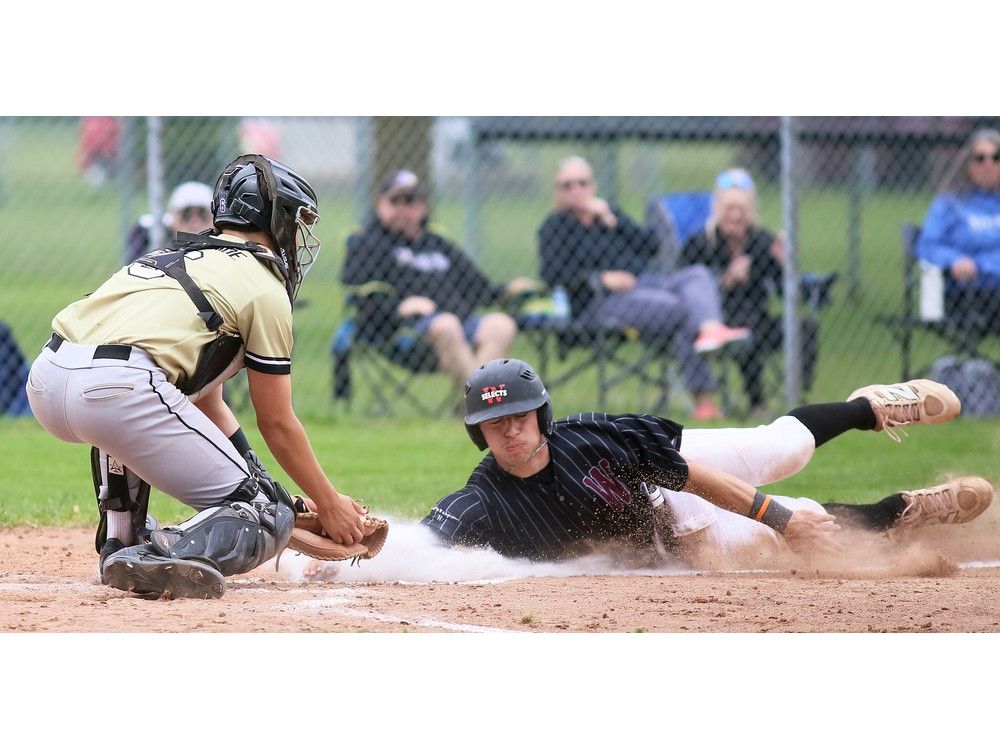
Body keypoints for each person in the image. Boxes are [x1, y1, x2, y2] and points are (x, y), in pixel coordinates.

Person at [25, 154, 367, 599]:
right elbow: (277, 423)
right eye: (294, 219)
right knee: (264, 514)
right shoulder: (263, 286)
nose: (296, 234)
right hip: (116, 390)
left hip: (47, 378)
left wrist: (262, 481)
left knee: (140, 404)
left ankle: (121, 539)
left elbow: (207, 400)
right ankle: (159, 550)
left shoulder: (173, 252)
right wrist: (327, 501)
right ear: (272, 217)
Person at [410, 359, 989, 569]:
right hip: (670, 542)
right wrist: (337, 552)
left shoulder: (589, 439)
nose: (510, 430)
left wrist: (776, 515)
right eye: (495, 423)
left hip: (674, 479)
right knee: (801, 527)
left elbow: (690, 477)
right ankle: (907, 509)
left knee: (777, 452)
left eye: (520, 415)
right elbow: (423, 539)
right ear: (479, 434)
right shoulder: (484, 498)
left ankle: (869, 408)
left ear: (542, 414)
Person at [537, 155, 751, 421]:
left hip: (648, 282)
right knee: (682, 310)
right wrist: (602, 279)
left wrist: (614, 220)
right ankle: (703, 400)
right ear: (558, 191)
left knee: (697, 274)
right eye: (567, 185)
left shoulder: (609, 216)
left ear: (593, 186)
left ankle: (711, 330)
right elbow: (553, 276)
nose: (576, 190)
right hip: (602, 301)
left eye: (582, 183)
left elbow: (651, 246)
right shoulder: (554, 228)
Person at [341, 169, 535, 391]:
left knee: (501, 325)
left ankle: (473, 402)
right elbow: (359, 293)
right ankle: (482, 404)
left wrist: (509, 290)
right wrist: (399, 307)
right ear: (380, 203)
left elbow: (478, 286)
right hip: (404, 333)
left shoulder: (437, 243)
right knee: (446, 325)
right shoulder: (367, 242)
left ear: (422, 206)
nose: (403, 208)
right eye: (396, 201)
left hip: (458, 322)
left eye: (411, 201)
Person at [679, 168, 796, 416]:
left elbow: (786, 295)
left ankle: (798, 399)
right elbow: (684, 285)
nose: (735, 216)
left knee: (804, 327)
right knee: (745, 331)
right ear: (718, 210)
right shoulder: (701, 243)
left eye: (741, 211)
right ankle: (758, 403)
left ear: (750, 212)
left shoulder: (764, 241)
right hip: (718, 321)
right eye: (729, 210)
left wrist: (783, 263)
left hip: (759, 315)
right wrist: (726, 281)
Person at [917, 127, 1000, 349]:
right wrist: (954, 260)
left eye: (996, 157)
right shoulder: (950, 204)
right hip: (967, 296)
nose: (988, 164)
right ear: (968, 164)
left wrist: (981, 264)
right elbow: (928, 245)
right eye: (980, 158)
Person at [124, 181, 215, 263]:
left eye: (202, 214)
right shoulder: (147, 233)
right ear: (173, 217)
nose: (195, 222)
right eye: (186, 214)